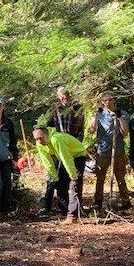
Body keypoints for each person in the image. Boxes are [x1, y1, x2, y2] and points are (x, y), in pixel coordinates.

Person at [42, 87, 85, 215]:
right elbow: (46, 128)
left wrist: (76, 142)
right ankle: (63, 208)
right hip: (57, 147)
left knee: (75, 180)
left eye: (66, 96)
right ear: (58, 97)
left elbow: (81, 129)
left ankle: (77, 209)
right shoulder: (54, 109)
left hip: (72, 148)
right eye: (62, 96)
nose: (64, 98)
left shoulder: (78, 109)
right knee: (60, 181)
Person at [33, 126, 87, 224]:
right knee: (61, 184)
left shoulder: (56, 139)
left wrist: (73, 176)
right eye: (36, 139)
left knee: (74, 185)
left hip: (78, 155)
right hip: (64, 158)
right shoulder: (39, 144)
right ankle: (65, 211)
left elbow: (66, 158)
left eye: (40, 138)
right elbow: (47, 162)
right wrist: (55, 177)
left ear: (46, 135)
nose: (39, 141)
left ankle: (73, 216)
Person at [89, 91, 130, 213]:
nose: (108, 102)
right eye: (105, 100)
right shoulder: (99, 115)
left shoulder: (122, 114)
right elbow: (91, 130)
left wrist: (118, 117)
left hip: (118, 151)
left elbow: (125, 132)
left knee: (120, 177)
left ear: (115, 100)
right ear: (102, 102)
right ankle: (98, 201)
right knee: (100, 178)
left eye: (110, 100)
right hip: (103, 152)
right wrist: (95, 117)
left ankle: (125, 200)